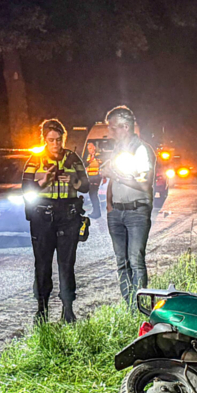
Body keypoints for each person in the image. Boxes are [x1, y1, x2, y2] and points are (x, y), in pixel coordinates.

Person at [22, 119, 91, 323]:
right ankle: (42, 309)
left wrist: (74, 181)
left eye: (59, 140)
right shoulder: (35, 159)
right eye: (51, 140)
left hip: (68, 215)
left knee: (66, 264)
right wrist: (43, 182)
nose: (55, 144)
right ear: (44, 139)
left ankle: (67, 309)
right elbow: (25, 188)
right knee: (42, 264)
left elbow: (86, 186)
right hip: (42, 215)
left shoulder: (73, 158)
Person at [101, 105, 156, 304]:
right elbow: (111, 180)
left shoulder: (142, 150)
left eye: (113, 127)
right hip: (116, 212)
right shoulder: (117, 151)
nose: (109, 132)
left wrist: (114, 175)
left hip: (136, 211)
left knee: (136, 261)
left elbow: (144, 183)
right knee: (121, 263)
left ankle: (139, 308)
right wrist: (109, 206)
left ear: (125, 127)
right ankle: (129, 306)